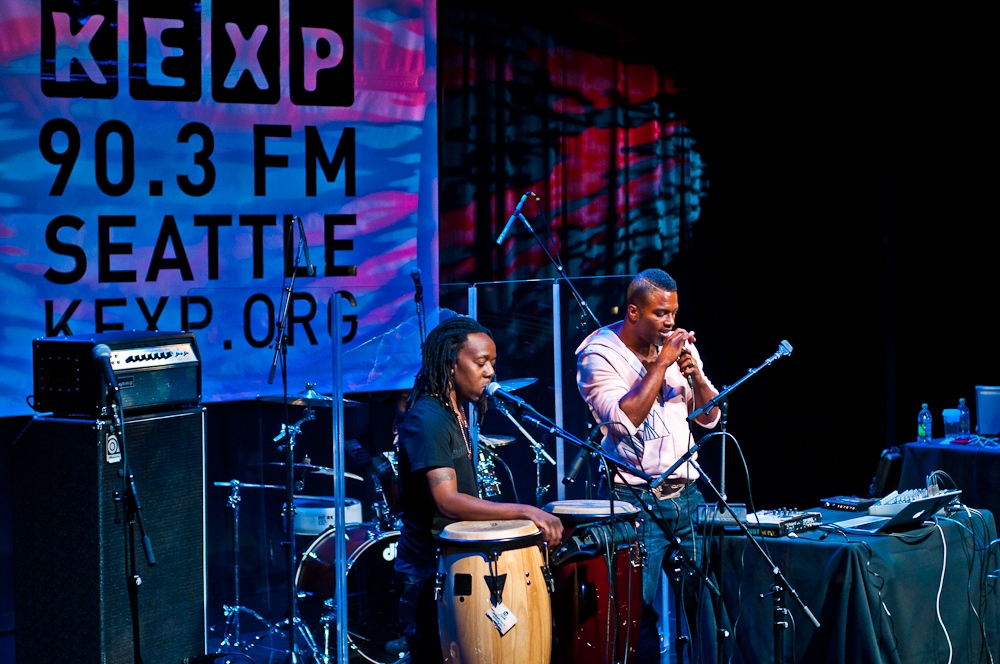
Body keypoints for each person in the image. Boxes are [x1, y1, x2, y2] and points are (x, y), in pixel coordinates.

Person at [394, 315, 564, 663]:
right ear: (450, 365)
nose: (490, 373)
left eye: (493, 364)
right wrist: (527, 511)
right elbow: (448, 502)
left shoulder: (457, 411)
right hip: (429, 573)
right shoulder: (427, 418)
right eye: (481, 363)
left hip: (450, 564)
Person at [576, 268, 720, 661]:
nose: (670, 322)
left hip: (687, 496)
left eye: (673, 312)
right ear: (634, 312)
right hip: (636, 501)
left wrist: (697, 379)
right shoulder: (598, 356)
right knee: (635, 612)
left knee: (705, 603)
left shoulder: (677, 348)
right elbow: (622, 424)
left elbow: (709, 419)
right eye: (660, 313)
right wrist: (661, 366)